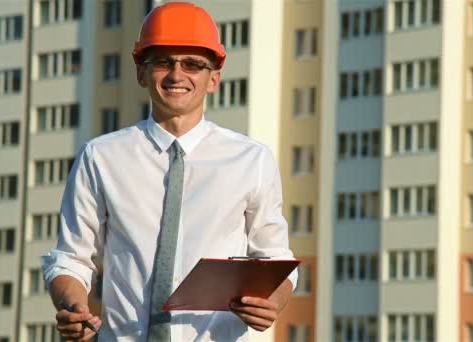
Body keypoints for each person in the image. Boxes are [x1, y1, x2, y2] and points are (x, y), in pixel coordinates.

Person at [41, 2, 297, 341]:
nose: (177, 75)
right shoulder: (101, 157)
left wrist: (272, 302)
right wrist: (74, 307)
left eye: (192, 64)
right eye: (162, 61)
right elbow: (70, 258)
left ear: (213, 79)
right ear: (141, 73)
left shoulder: (252, 160)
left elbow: (275, 259)